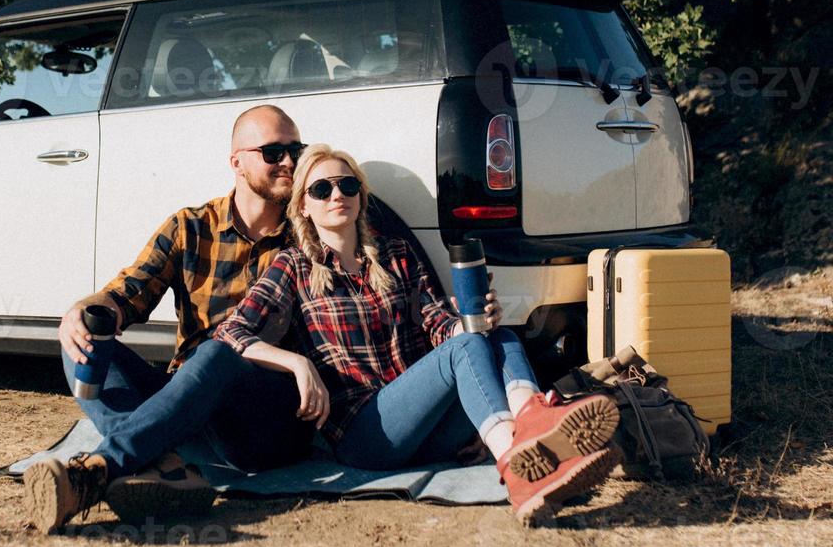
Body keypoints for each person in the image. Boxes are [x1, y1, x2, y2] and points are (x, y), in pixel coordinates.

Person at [213, 144, 623, 525]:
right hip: (368, 435)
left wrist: (472, 324)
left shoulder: (395, 255)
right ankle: (515, 458)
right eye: (322, 189)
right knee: (468, 346)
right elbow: (231, 331)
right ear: (303, 204)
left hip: (424, 425)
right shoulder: (293, 266)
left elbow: (436, 323)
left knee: (499, 336)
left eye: (347, 184)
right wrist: (296, 363)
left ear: (360, 196)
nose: (337, 195)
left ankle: (527, 429)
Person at [23, 105, 316, 533]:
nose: (289, 162)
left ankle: (99, 470)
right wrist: (81, 311)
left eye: (296, 150)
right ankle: (167, 467)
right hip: (187, 405)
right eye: (273, 152)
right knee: (83, 338)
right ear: (237, 162)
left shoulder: (306, 229)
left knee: (218, 352)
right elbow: (126, 292)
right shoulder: (191, 226)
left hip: (264, 417)